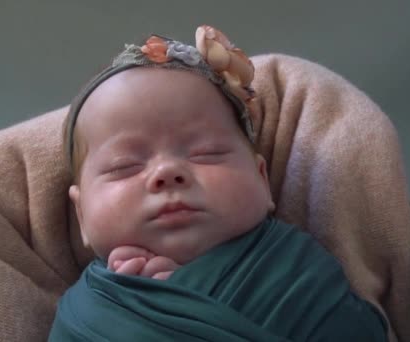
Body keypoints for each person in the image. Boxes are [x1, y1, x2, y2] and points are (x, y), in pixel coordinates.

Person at [49, 25, 388, 341]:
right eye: (125, 166)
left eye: (205, 153)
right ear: (81, 215)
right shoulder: (87, 314)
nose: (167, 171)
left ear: (262, 180)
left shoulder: (294, 270)